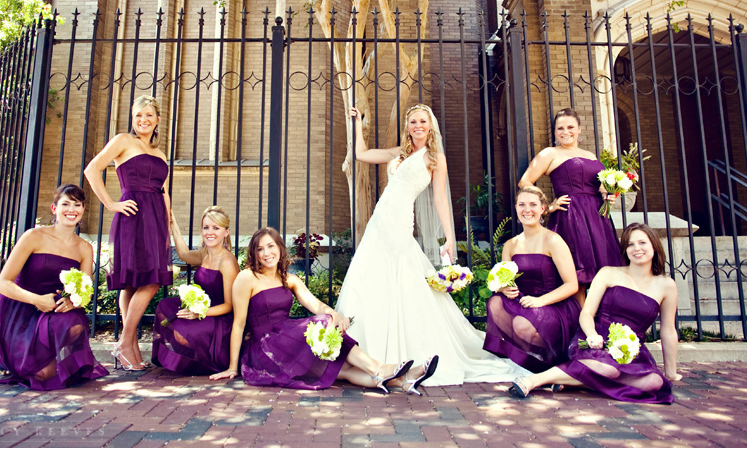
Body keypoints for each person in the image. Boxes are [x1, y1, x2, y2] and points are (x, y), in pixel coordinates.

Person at [333, 103, 527, 387]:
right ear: (408, 126)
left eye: (422, 121)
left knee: (402, 275)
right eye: (413, 122)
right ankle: (368, 351)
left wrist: (449, 237)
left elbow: (439, 200)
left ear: (430, 125)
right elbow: (361, 154)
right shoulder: (399, 153)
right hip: (379, 221)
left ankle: (397, 355)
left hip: (400, 222)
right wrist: (357, 123)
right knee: (368, 273)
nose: (418, 126)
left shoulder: (435, 158)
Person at [210, 227, 436, 394]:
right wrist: (232, 367)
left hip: (287, 342)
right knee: (319, 326)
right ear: (255, 253)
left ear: (280, 248)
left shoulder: (290, 279)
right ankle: (382, 368)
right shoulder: (247, 277)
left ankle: (404, 379)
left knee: (342, 369)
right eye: (260, 249)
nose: (266, 253)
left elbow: (315, 304)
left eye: (271, 246)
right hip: (265, 349)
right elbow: (238, 324)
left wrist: (334, 314)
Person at [508, 223, 682, 404]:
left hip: (630, 349)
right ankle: (534, 380)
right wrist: (592, 335)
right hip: (597, 337)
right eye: (630, 244)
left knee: (654, 382)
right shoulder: (608, 273)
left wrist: (671, 371)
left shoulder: (666, 285)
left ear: (654, 245)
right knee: (609, 370)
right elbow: (587, 313)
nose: (636, 248)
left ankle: (578, 382)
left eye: (642, 243)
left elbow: (668, 331)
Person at [0, 184, 109, 390]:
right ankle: (13, 356)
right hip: (19, 312)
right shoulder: (33, 237)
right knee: (42, 375)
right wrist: (37, 300)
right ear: (54, 209)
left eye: (77, 205)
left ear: (83, 210)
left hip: (51, 313)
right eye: (66, 204)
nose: (72, 210)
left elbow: (85, 290)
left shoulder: (84, 248)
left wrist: (72, 301)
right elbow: (2, 283)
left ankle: (41, 354)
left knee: (75, 321)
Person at [84, 95, 172, 370]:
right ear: (132, 119)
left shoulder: (161, 154)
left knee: (144, 280)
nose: (143, 120)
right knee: (138, 281)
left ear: (158, 120)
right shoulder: (123, 141)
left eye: (148, 115)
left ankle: (130, 349)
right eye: (138, 115)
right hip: (131, 215)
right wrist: (111, 203)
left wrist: (168, 220)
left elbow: (164, 191)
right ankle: (125, 343)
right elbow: (92, 169)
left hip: (155, 217)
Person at [518, 108, 623, 304]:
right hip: (571, 217)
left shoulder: (590, 155)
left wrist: (608, 195)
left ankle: (599, 322)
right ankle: (581, 326)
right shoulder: (550, 153)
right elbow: (525, 182)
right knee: (578, 276)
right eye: (560, 128)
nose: (565, 132)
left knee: (604, 276)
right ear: (555, 132)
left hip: (597, 219)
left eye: (570, 127)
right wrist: (547, 206)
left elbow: (599, 186)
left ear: (579, 129)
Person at [483, 186, 580, 373]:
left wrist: (540, 301)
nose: (527, 210)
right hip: (524, 301)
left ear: (543, 209)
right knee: (495, 303)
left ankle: (545, 357)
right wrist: (503, 289)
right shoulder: (510, 245)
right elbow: (506, 279)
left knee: (520, 325)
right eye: (522, 204)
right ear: (517, 208)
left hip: (552, 305)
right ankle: (523, 353)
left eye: (533, 204)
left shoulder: (553, 240)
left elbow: (572, 285)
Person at [151, 206, 239, 374]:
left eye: (216, 228)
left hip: (219, 317)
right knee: (165, 306)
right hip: (200, 308)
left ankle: (197, 360)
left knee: (182, 332)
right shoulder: (205, 253)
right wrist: (173, 225)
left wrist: (200, 313)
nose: (210, 232)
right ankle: (185, 357)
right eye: (206, 227)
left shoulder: (227, 262)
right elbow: (184, 254)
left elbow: (229, 305)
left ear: (226, 232)